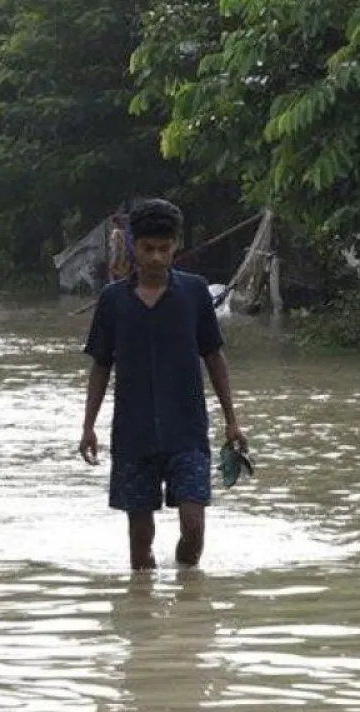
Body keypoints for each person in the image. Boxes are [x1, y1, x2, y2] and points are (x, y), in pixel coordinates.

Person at [78, 199, 248, 571]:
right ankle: (146, 616)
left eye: (164, 249)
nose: (156, 257)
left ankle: (190, 604)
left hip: (187, 433)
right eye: (148, 249)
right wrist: (88, 426)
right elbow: (101, 366)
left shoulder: (194, 294)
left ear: (175, 247)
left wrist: (231, 420)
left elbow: (214, 357)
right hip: (133, 436)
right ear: (134, 248)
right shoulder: (112, 301)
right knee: (140, 545)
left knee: (193, 527)